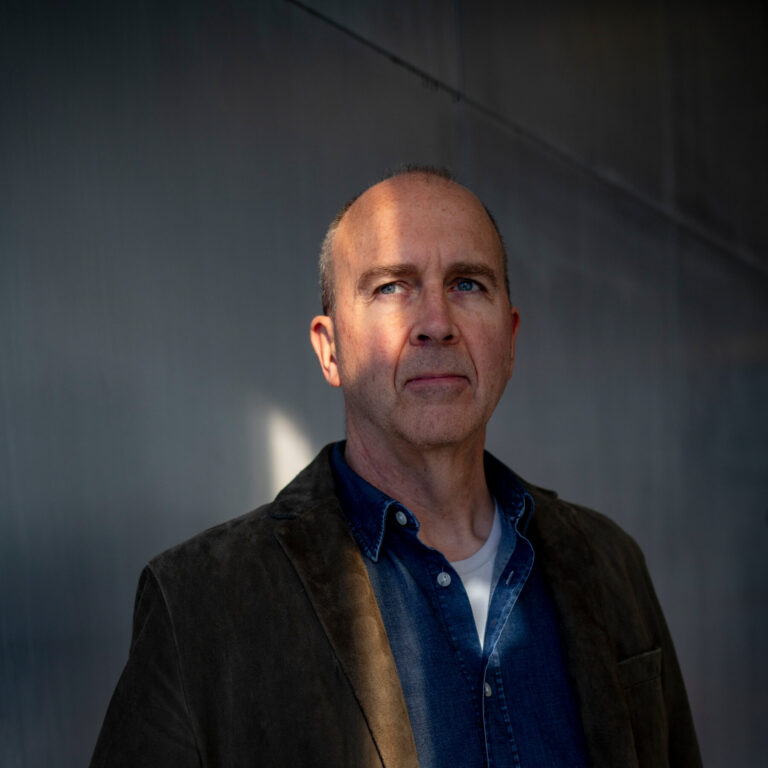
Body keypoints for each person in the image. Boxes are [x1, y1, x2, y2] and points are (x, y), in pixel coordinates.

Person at [90, 166, 701, 767]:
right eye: (391, 287)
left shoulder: (611, 562)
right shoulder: (201, 603)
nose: (436, 324)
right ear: (330, 349)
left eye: (467, 284)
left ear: (510, 340)